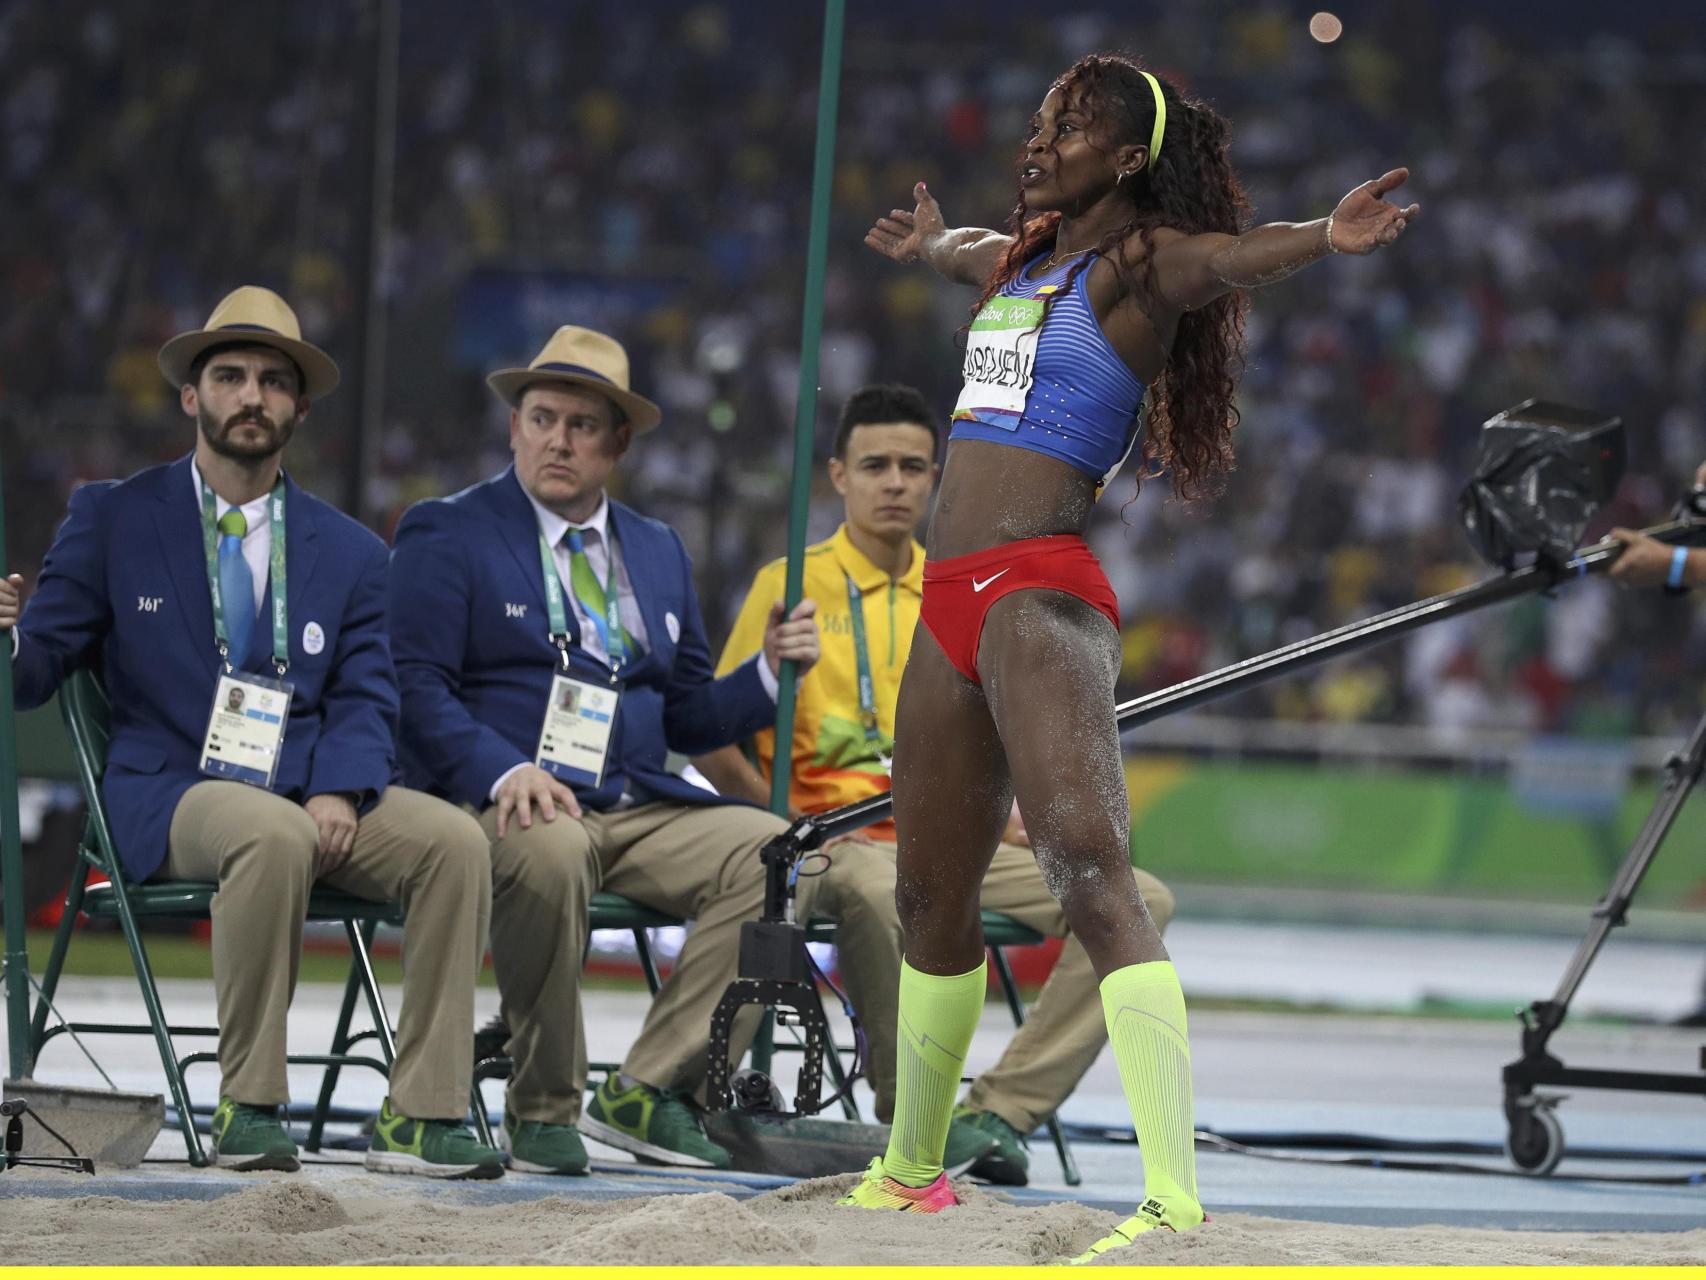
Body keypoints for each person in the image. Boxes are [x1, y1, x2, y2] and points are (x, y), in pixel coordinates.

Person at [843, 54, 1418, 1259]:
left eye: (1069, 126)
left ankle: (1169, 1201)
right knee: (924, 898)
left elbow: (1227, 258)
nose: (1039, 137)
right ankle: (907, 1172)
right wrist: (933, 241)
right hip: (947, 603)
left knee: (1089, 878)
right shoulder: (1017, 261)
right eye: (1041, 116)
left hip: (1036, 597)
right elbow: (965, 252)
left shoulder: (1135, 266)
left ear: (1125, 159)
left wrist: (1326, 235)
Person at [0, 287, 504, 1178]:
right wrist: (5, 636)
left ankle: (423, 1113)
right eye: (229, 375)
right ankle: (251, 1104)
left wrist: (343, 788)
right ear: (191, 396)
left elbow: (366, 694)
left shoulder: (351, 550)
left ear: (299, 408)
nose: (252, 395)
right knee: (268, 833)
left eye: (274, 380)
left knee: (455, 842)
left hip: (310, 788)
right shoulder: (112, 516)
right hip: (169, 792)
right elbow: (34, 672)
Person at [695, 382, 1177, 1185]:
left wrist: (1024, 806)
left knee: (1143, 900)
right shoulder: (789, 585)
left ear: (938, 479)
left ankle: (996, 1112)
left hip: (962, 834)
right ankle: (908, 1123)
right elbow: (715, 738)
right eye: (875, 465)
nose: (895, 482)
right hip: (840, 843)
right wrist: (785, 825)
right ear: (838, 476)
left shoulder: (964, 584)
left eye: (914, 467)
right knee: (891, 887)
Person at [388, 325, 821, 1174]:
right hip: (510, 801)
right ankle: (544, 1104)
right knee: (549, 854)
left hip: (636, 803)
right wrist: (504, 769)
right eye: (541, 417)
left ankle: (649, 1088)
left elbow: (691, 716)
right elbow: (414, 691)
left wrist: (764, 676)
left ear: (618, 443)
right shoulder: (447, 533)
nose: (558, 439)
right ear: (513, 427)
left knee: (781, 856)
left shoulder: (656, 549)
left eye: (582, 425)